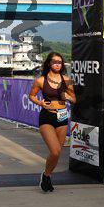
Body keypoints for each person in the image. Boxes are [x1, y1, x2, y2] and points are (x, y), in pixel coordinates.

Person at [28, 52, 76, 192]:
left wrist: (67, 97)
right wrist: (40, 103)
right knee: (54, 151)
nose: (57, 64)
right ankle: (46, 175)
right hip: (47, 117)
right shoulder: (40, 80)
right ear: (49, 63)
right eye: (54, 61)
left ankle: (46, 175)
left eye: (60, 62)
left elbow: (74, 99)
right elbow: (31, 96)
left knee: (58, 152)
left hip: (62, 117)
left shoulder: (67, 80)